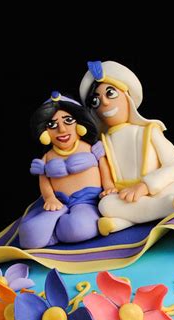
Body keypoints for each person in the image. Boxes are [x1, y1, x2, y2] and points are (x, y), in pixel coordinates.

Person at [79, 60, 174, 236]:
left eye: (110, 93)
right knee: (105, 205)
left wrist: (145, 186)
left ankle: (121, 222)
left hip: (157, 190)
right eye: (96, 100)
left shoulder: (149, 130)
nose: (105, 103)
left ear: (127, 97)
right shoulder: (102, 143)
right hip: (123, 196)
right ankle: (166, 208)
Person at [19, 91, 116, 248]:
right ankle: (55, 221)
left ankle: (56, 231)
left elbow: (104, 167)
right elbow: (44, 181)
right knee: (29, 234)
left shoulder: (91, 148)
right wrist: (50, 198)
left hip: (87, 202)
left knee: (79, 227)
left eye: (68, 120)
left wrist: (109, 186)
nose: (62, 130)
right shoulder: (47, 157)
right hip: (58, 202)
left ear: (79, 123)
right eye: (52, 125)